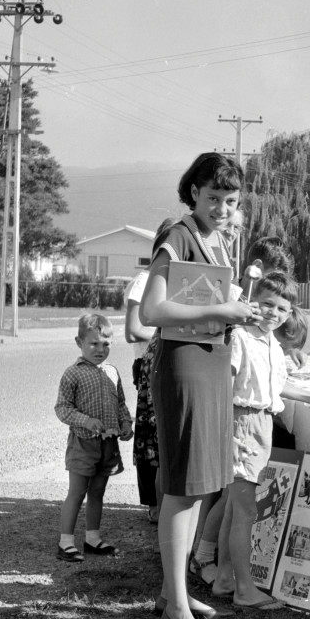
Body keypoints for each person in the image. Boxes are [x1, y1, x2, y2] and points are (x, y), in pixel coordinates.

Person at [139, 151, 256, 619]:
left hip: (211, 362)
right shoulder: (179, 236)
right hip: (185, 362)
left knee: (204, 480)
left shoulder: (217, 241)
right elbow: (152, 311)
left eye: (230, 201)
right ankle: (173, 606)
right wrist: (226, 311)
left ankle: (176, 591)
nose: (222, 209)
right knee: (184, 484)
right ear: (193, 193)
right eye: (213, 198)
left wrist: (234, 312)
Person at [212, 270, 295, 609]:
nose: (273, 313)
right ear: (253, 303)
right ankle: (245, 590)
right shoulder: (243, 338)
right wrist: (226, 430)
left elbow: (275, 388)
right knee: (246, 510)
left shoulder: (272, 343)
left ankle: (223, 577)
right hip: (241, 422)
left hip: (263, 423)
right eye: (267, 304)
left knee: (234, 508)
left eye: (282, 309)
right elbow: (225, 384)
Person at [54, 313, 133, 562]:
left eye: (106, 344)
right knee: (77, 492)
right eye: (94, 344)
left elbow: (120, 403)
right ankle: (65, 542)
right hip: (83, 443)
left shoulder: (112, 372)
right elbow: (62, 409)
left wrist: (126, 423)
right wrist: (86, 421)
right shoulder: (73, 374)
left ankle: (92, 538)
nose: (100, 350)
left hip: (107, 443)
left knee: (98, 491)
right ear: (79, 342)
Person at [126, 218, 175, 522]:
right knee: (150, 438)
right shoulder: (145, 281)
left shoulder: (174, 279)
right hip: (150, 364)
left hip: (167, 360)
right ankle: (153, 505)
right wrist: (167, 329)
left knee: (162, 438)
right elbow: (133, 329)